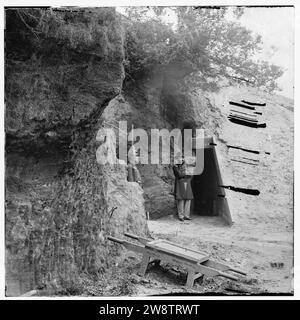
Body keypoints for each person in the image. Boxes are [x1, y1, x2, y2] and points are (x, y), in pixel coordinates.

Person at [173, 156, 194, 221]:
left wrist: (186, 174)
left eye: (182, 159)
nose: (181, 160)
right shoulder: (175, 167)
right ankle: (181, 216)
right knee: (180, 199)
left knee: (188, 199)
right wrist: (185, 174)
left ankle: (186, 215)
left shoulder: (186, 166)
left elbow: (190, 174)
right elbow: (179, 175)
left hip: (187, 182)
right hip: (179, 183)